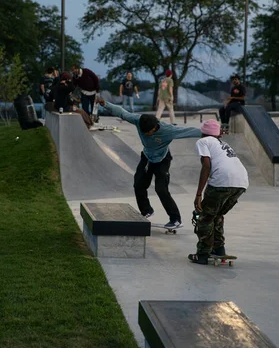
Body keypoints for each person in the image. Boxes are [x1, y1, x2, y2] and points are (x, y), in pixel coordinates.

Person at [97, 97, 202, 229]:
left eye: (148, 132)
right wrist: (105, 104)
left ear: (155, 127)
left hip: (162, 160)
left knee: (161, 189)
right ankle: (146, 211)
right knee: (138, 184)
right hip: (147, 157)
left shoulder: (168, 130)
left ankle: (175, 219)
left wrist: (212, 133)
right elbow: (122, 112)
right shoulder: (138, 120)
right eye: (143, 132)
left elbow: (189, 131)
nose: (146, 134)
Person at [188, 119, 248, 265]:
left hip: (222, 181)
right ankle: (219, 249)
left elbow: (206, 165)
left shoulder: (203, 142)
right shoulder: (224, 144)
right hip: (241, 182)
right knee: (217, 214)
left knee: (205, 217)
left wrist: (198, 194)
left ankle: (202, 255)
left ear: (203, 132)